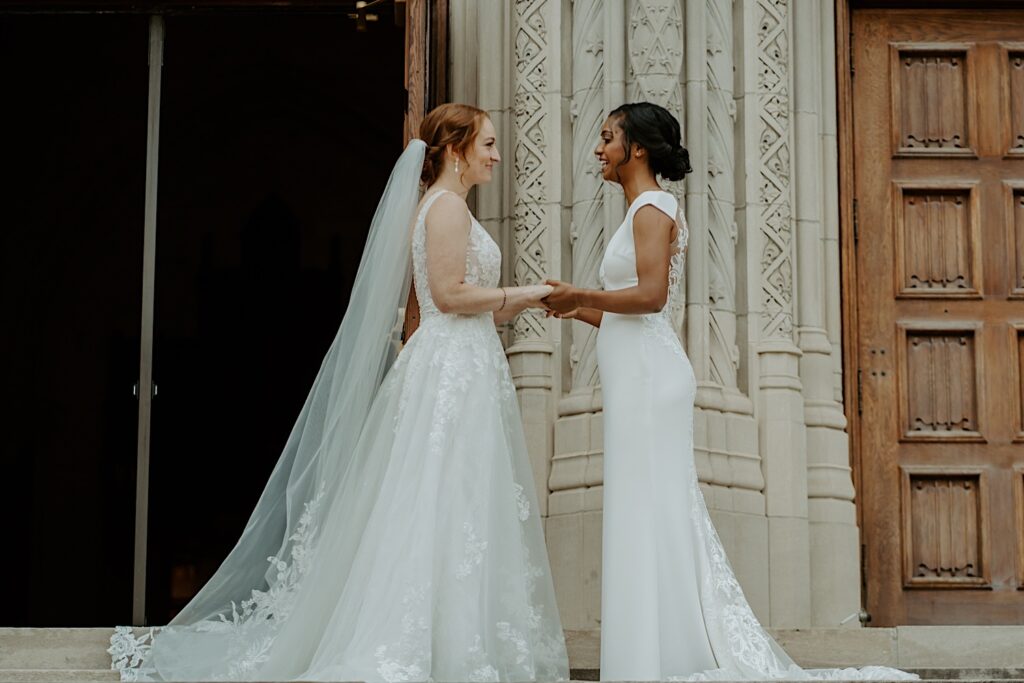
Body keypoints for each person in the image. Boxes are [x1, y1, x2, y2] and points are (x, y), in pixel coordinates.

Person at [110, 103, 568, 682]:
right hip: (452, 368)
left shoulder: (438, 207)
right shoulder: (447, 207)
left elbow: (422, 311)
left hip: (457, 366)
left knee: (450, 500)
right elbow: (449, 296)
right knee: (443, 497)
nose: (497, 155)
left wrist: (486, 322)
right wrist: (521, 295)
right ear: (456, 150)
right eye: (489, 144)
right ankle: (432, 646)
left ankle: (452, 640)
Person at [543, 101, 915, 682]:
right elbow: (630, 316)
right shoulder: (640, 208)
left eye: (608, 136)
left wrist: (582, 294)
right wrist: (575, 310)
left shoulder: (652, 206)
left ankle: (653, 658)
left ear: (636, 148)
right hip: (636, 369)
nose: (599, 148)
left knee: (648, 509)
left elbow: (649, 298)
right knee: (644, 511)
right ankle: (653, 653)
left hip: (648, 379)